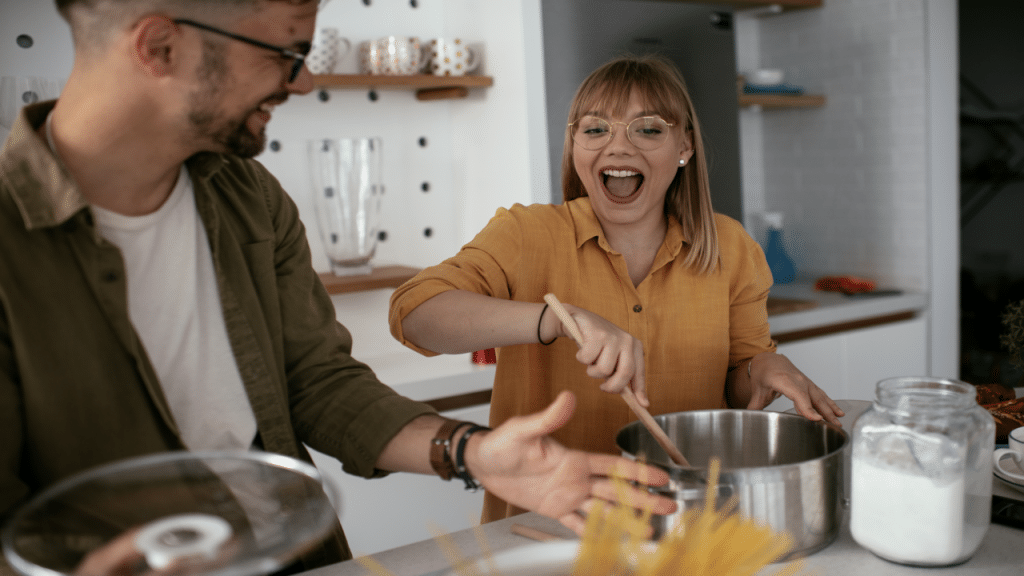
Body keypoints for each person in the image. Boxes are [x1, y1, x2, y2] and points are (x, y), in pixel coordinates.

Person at [0, 2, 677, 574]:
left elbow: (317, 385)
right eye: (287, 53)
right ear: (161, 46)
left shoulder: (248, 198)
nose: (303, 82)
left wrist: (473, 452)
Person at [389, 55, 845, 523]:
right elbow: (415, 314)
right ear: (574, 146)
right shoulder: (525, 234)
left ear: (684, 145)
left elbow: (735, 382)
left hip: (686, 519)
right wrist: (557, 319)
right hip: (548, 529)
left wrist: (763, 366)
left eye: (647, 129)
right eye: (595, 129)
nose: (618, 147)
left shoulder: (731, 247)